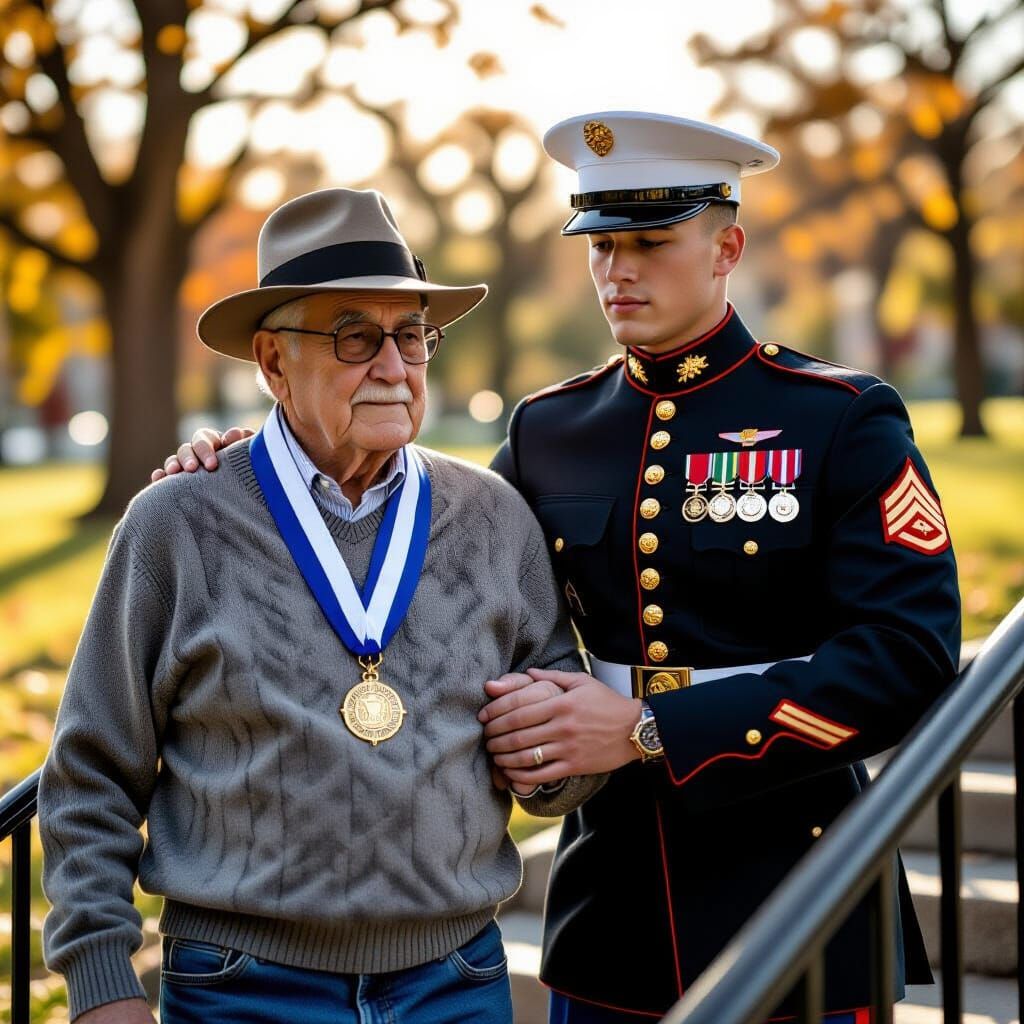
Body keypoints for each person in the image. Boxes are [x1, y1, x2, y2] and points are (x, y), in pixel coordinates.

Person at [162, 115, 961, 1022]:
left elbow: (909, 656)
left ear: (727, 248)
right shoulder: (550, 430)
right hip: (611, 907)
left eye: (651, 243)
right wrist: (266, 458)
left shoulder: (838, 417)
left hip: (799, 884)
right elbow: (421, 537)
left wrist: (651, 728)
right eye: (602, 244)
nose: (618, 270)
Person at [39, 187, 601, 1024]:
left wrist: (554, 754)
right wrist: (99, 982)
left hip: (457, 982)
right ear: (273, 363)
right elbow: (90, 773)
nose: (394, 367)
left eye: (411, 336)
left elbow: (560, 767)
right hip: (242, 988)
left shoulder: (493, 517)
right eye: (355, 337)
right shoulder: (178, 524)